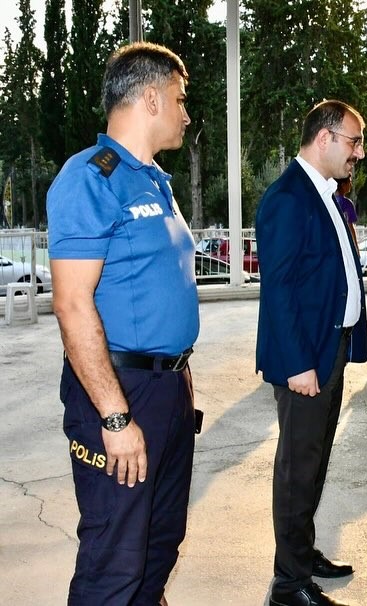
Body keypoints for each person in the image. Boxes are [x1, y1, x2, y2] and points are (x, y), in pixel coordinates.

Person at [47, 42, 197, 606]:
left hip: (167, 388)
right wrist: (114, 418)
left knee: (160, 541)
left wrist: (179, 373)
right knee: (116, 555)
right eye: (180, 100)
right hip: (117, 391)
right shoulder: (91, 178)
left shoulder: (154, 180)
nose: (185, 114)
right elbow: (72, 305)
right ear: (151, 98)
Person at [256, 99, 367, 606]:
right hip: (306, 358)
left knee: (315, 460)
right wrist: (299, 363)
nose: (359, 153)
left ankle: (301, 554)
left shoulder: (326, 193)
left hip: (330, 348)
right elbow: (277, 289)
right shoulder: (288, 198)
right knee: (298, 466)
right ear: (324, 138)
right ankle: (289, 583)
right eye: (354, 141)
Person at [334, 175, 359, 248]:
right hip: (344, 243)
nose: (351, 185)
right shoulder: (347, 203)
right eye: (349, 182)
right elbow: (350, 226)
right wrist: (356, 247)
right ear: (343, 185)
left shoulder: (330, 200)